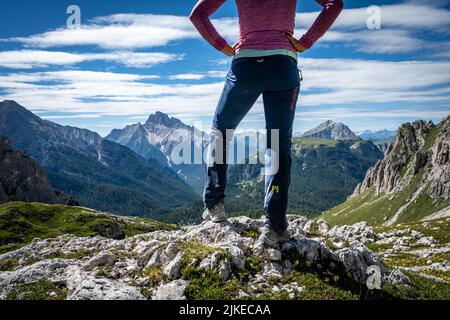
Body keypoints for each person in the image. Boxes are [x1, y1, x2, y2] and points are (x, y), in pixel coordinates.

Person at [190, 0, 343, 249]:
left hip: (246, 65)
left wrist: (224, 47)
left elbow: (198, 15)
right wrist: (305, 41)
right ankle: (274, 226)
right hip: (283, 65)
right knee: (277, 144)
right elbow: (334, 4)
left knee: (221, 132)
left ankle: (214, 206)